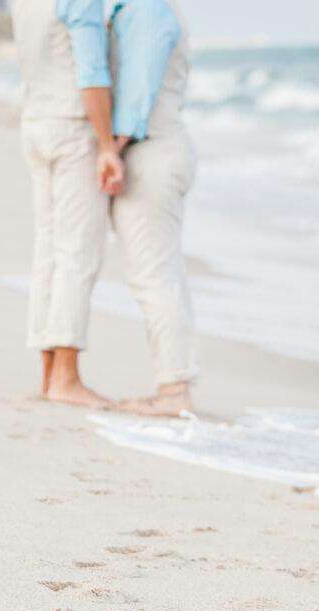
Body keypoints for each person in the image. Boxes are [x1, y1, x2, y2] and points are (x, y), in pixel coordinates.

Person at [10, 0, 124, 407]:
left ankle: (48, 374)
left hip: (36, 124)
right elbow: (91, 74)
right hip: (72, 127)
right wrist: (108, 145)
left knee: (48, 251)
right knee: (78, 251)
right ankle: (66, 377)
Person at [106, 0, 198, 417]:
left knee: (154, 276)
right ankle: (175, 382)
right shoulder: (156, 8)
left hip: (152, 150)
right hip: (163, 146)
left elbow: (139, 89)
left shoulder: (146, 8)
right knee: (163, 273)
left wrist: (111, 149)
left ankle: (174, 390)